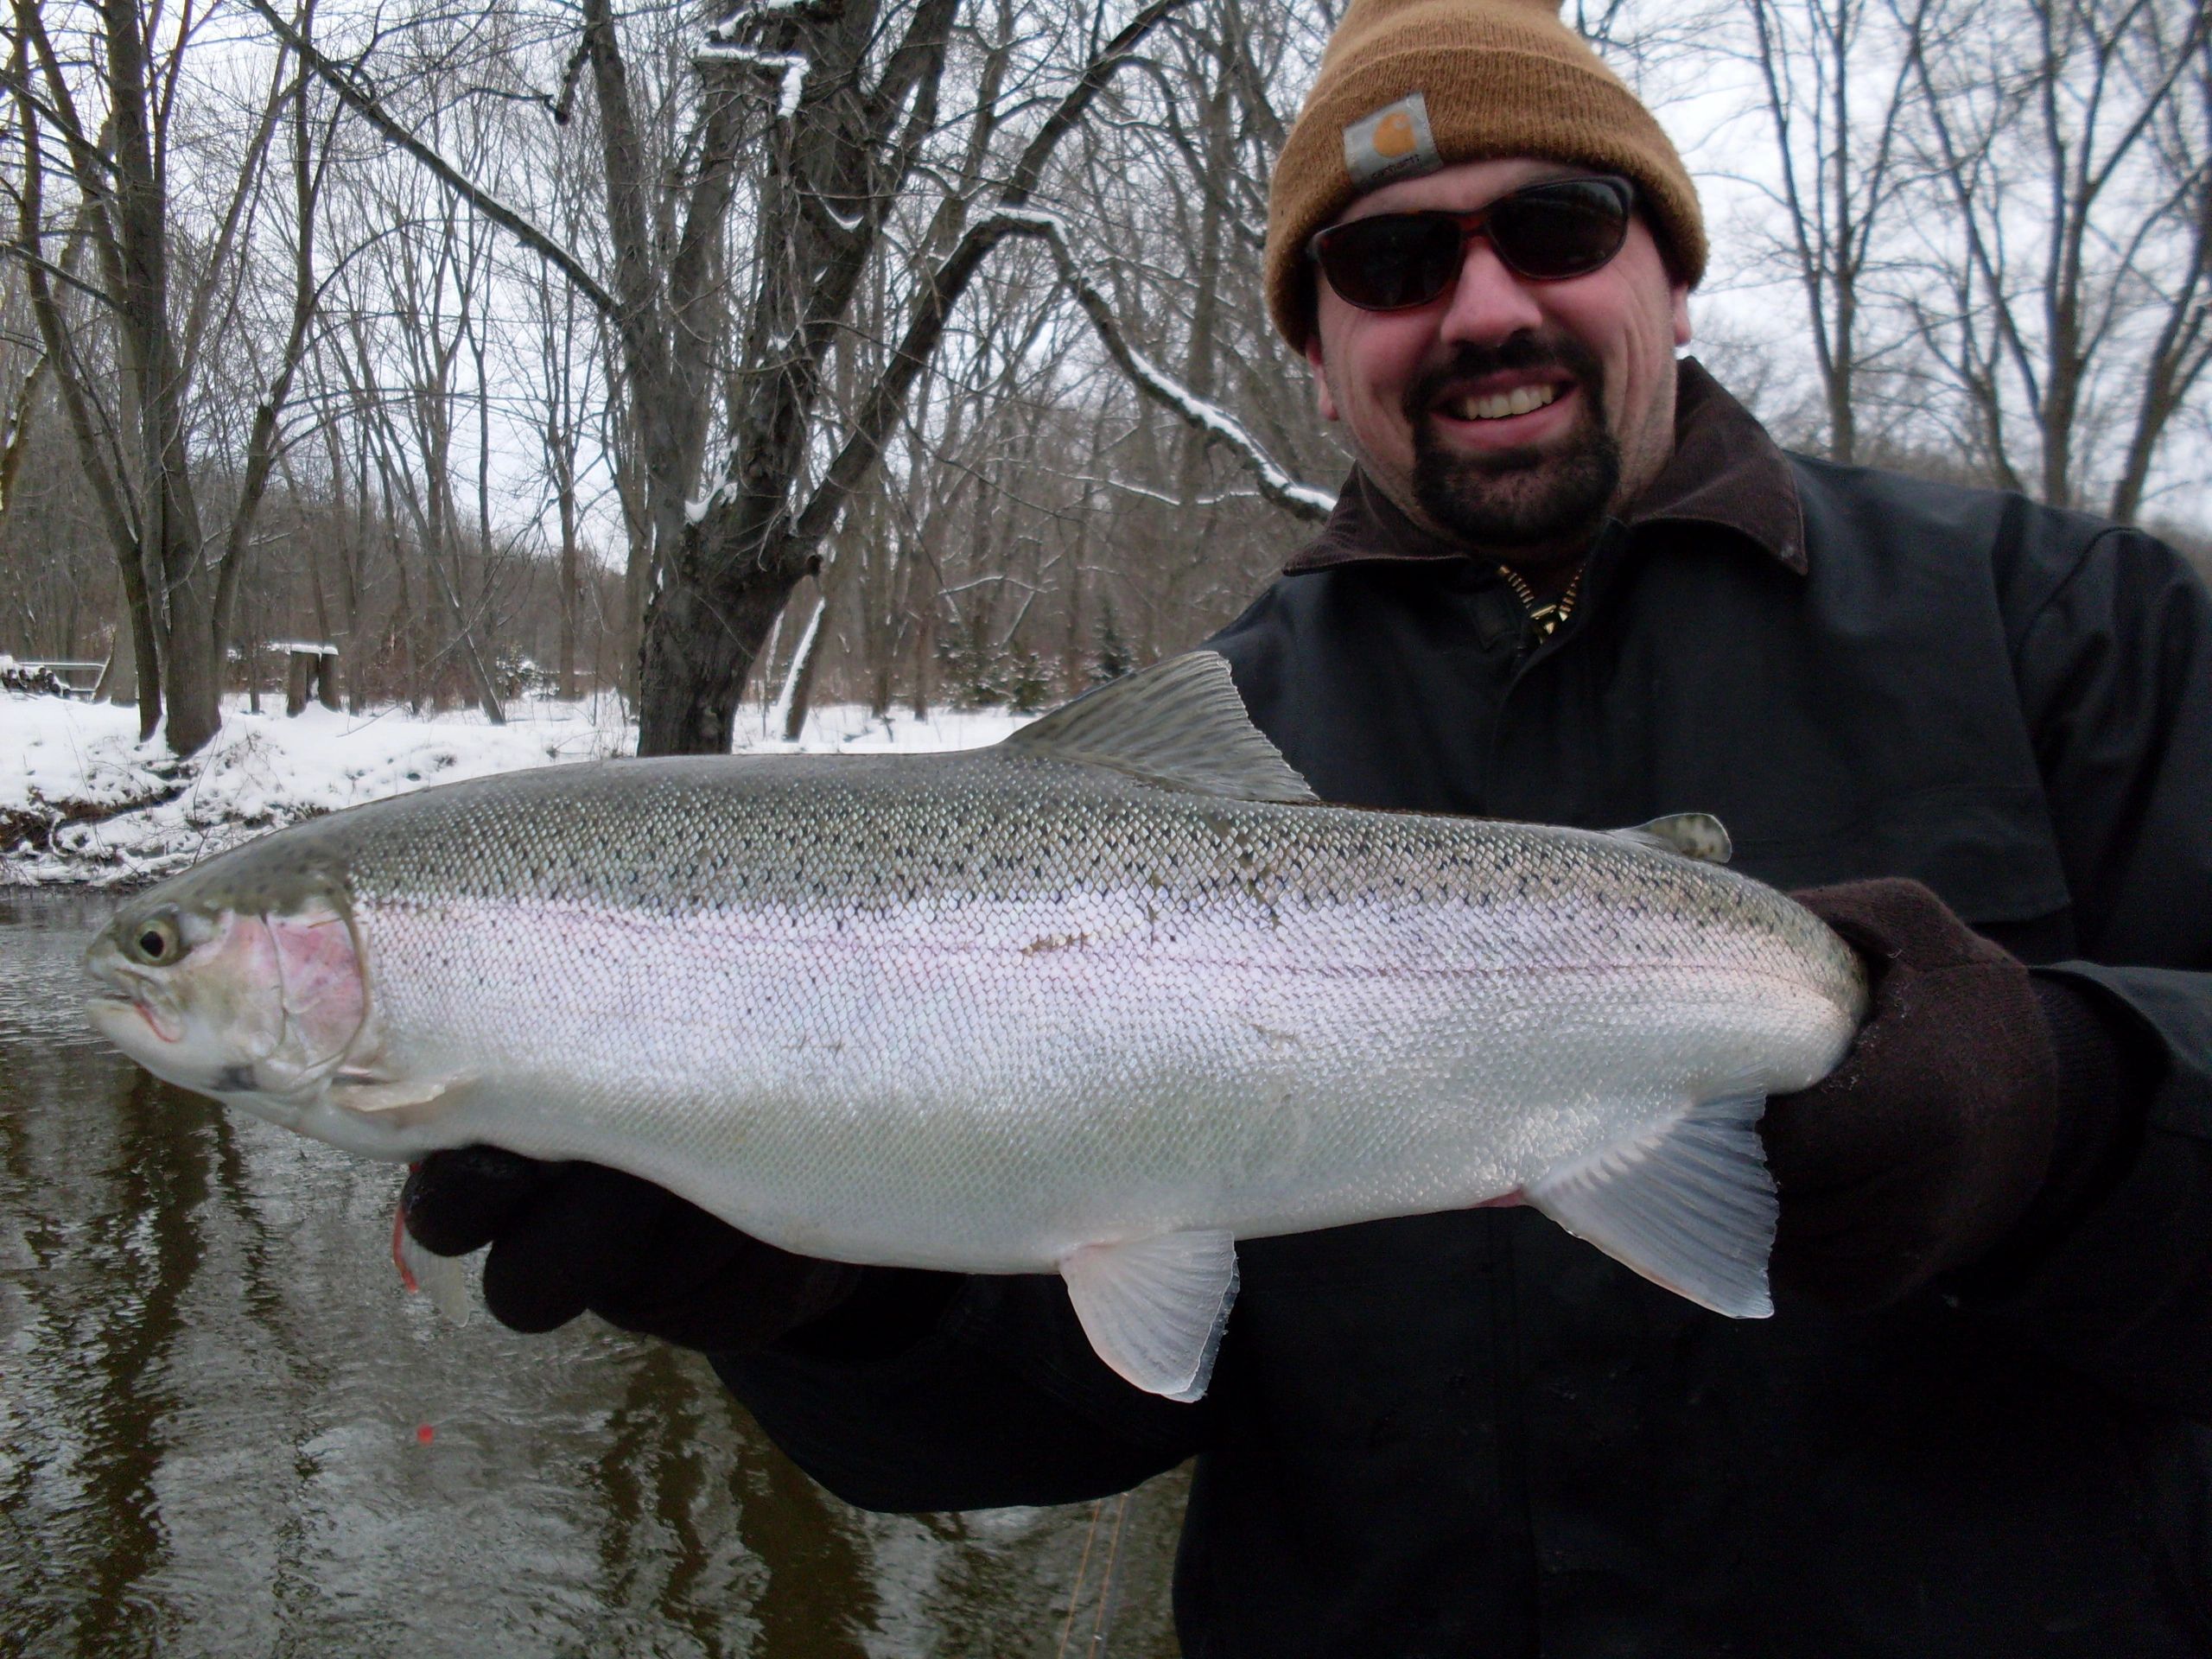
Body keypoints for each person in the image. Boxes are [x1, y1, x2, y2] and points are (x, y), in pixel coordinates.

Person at [404, 0, 2212, 1648]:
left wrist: (2071, 1107)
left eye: (1558, 230)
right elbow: (1071, 1413)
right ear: (1317, 347)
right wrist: (834, 1294)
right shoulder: (1172, 766)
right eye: (1393, 259)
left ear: (1667, 273)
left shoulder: (2068, 632)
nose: (1485, 302)